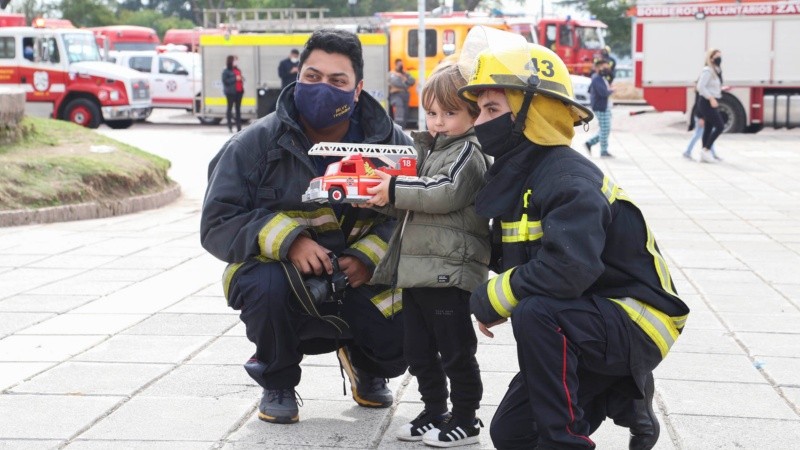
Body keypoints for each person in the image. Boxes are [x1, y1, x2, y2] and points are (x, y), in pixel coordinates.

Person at [456, 40, 690, 449]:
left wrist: (494, 297)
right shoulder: (524, 173)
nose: (479, 122)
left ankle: (567, 441)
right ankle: (622, 392)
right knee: (511, 434)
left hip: (634, 321)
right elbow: (519, 256)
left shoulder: (567, 180)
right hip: (586, 316)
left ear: (534, 113)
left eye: (492, 110)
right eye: (478, 110)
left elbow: (567, 270)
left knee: (536, 311)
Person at [200, 28, 412, 425]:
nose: (322, 88)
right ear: (297, 74)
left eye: (337, 81)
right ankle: (277, 380)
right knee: (265, 285)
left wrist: (368, 258)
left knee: (407, 330)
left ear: (358, 88)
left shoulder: (392, 147)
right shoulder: (253, 145)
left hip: (361, 278)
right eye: (312, 77)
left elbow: (418, 216)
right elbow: (217, 222)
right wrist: (290, 242)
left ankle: (369, 364)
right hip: (285, 280)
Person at [365, 63, 490, 447]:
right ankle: (434, 410)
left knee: (455, 349)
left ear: (474, 114)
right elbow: (411, 201)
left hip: (449, 270)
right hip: (417, 269)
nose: (438, 122)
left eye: (450, 113)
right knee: (417, 350)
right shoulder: (430, 150)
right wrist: (378, 195)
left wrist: (397, 187)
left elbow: (443, 193)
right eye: (432, 113)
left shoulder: (469, 152)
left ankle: (466, 417)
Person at [696, 49, 725, 164]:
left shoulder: (716, 71)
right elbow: (700, 87)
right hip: (706, 102)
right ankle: (706, 149)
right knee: (720, 126)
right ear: (711, 58)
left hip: (712, 102)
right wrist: (711, 98)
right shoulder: (707, 71)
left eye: (720, 56)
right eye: (717, 56)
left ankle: (704, 153)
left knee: (708, 128)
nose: (719, 59)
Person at [585, 59, 614, 158]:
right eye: (603, 67)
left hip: (603, 106)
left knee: (605, 129)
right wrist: (611, 91)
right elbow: (603, 93)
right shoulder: (597, 78)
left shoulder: (600, 78)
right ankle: (603, 151)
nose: (605, 69)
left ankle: (590, 143)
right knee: (605, 129)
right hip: (601, 107)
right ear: (598, 68)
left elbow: (590, 90)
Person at [684, 92, 720, 161]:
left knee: (708, 134)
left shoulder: (703, 91)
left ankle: (711, 153)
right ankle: (687, 152)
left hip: (702, 116)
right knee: (698, 135)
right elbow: (699, 105)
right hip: (701, 117)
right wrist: (701, 118)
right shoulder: (702, 92)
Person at [388, 58, 415, 129]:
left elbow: (412, 81)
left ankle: (403, 128)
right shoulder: (392, 74)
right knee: (399, 112)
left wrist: (405, 79)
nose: (401, 66)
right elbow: (395, 82)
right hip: (396, 95)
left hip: (405, 95)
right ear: (396, 65)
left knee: (405, 112)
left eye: (402, 64)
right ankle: (398, 128)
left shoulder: (406, 74)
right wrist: (405, 84)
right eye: (399, 64)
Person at [221, 55, 244, 132]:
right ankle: (230, 126)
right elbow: (225, 81)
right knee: (230, 109)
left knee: (238, 109)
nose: (236, 62)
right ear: (230, 61)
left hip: (239, 92)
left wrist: (241, 79)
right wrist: (235, 78)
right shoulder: (226, 71)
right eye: (235, 60)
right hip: (231, 92)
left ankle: (239, 127)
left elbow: (240, 78)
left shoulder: (238, 70)